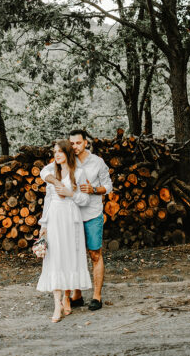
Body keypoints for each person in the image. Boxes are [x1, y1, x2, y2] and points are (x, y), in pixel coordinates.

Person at [40, 128, 113, 311]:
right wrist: (56, 182)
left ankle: (96, 296)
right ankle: (76, 294)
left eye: (78, 143)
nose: (75, 146)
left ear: (85, 143)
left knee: (94, 253)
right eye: (71, 143)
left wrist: (94, 190)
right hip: (70, 216)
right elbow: (44, 172)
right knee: (72, 254)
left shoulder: (97, 162)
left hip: (90, 214)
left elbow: (108, 186)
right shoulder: (65, 160)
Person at [36, 139, 92, 323]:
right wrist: (43, 225)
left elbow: (85, 200)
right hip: (54, 218)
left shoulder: (80, 172)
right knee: (55, 258)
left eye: (60, 151)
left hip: (71, 218)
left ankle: (67, 297)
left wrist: (70, 194)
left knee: (69, 257)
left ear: (68, 153)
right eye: (54, 152)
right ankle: (56, 304)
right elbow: (48, 200)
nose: (57, 155)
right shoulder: (52, 172)